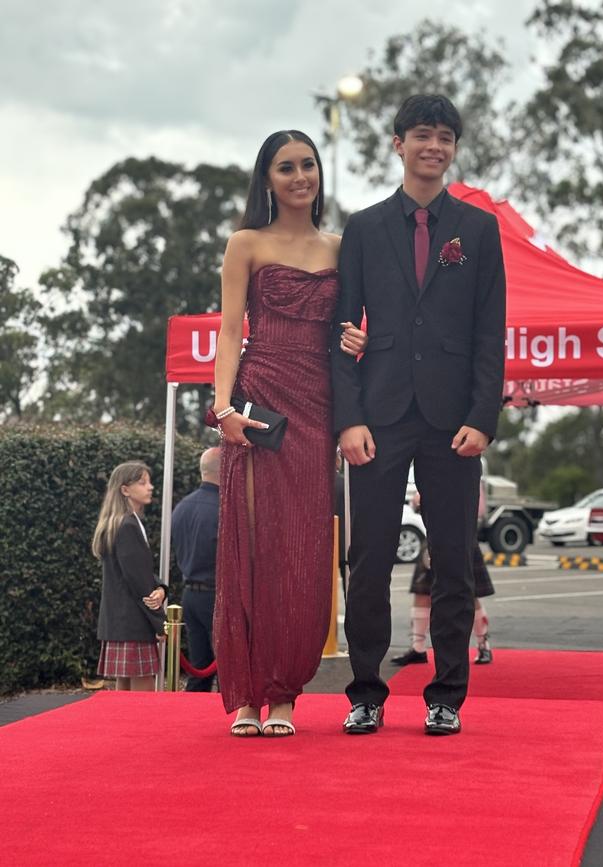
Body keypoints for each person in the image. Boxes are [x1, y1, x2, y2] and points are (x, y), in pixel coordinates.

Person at [331, 94, 506, 735]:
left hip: (453, 421)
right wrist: (347, 419)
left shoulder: (477, 230)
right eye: (422, 135)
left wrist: (484, 416)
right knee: (369, 561)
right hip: (377, 418)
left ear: (454, 148)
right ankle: (367, 693)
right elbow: (342, 328)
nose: (434, 146)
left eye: (445, 137)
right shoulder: (365, 227)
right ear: (398, 143)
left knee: (455, 562)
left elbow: (492, 333)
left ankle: (446, 696)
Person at [211, 130, 367, 737]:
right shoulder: (245, 243)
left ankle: (284, 695)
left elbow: (348, 331)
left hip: (317, 403)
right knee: (251, 541)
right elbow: (229, 332)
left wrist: (355, 341)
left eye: (308, 165)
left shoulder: (340, 247)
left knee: (302, 549)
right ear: (267, 179)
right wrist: (223, 410)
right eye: (286, 167)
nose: (300, 176)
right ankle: (247, 693)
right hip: (259, 395)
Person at [392, 490, 495, 666]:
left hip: (461, 536)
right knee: (422, 591)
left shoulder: (467, 468)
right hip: (435, 534)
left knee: (470, 593)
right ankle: (418, 649)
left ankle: (483, 645)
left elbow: (477, 508)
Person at [93, 462, 167, 691]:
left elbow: (138, 572)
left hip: (120, 622)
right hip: (134, 622)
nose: (151, 487)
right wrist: (159, 622)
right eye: (142, 482)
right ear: (125, 490)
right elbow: (139, 582)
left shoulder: (117, 523)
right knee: (141, 699)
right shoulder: (127, 525)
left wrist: (161, 586)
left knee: (123, 697)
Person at [171, 447, 221, 692]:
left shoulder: (182, 507)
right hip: (217, 595)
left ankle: (191, 719)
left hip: (190, 594)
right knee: (227, 669)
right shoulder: (225, 508)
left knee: (199, 667)